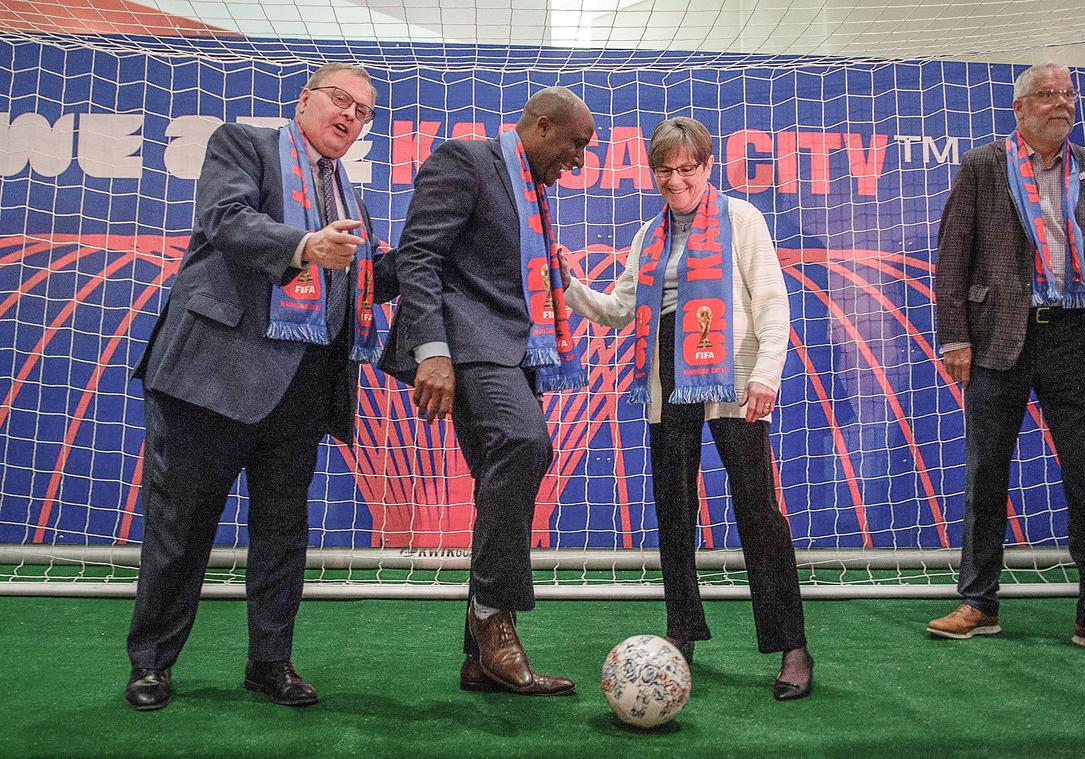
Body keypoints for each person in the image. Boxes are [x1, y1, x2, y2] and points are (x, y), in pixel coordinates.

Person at [125, 62, 398, 710]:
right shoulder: (243, 145)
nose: (350, 116)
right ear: (304, 101)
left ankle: (270, 662)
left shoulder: (349, 200)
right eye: (341, 100)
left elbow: (357, 283)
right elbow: (226, 220)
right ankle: (152, 665)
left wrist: (417, 260)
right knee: (181, 528)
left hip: (300, 390)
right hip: (211, 378)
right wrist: (304, 243)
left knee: (283, 533)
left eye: (363, 113)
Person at [562, 117, 813, 700]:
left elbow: (772, 304)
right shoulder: (649, 234)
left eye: (687, 169)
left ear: (707, 166)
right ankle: (682, 635)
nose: (677, 181)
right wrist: (567, 283)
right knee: (674, 510)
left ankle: (791, 645)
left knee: (757, 509)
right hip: (665, 373)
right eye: (665, 171)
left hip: (732, 372)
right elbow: (619, 309)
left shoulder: (742, 219)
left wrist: (766, 376)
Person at [380, 86, 594, 695]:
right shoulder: (464, 160)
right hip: (465, 345)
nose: (578, 162)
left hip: (513, 350)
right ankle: (492, 620)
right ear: (544, 126)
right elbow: (419, 257)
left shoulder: (531, 188)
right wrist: (433, 351)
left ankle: (477, 658)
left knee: (524, 456)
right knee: (523, 443)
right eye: (575, 145)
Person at [931, 63, 1085, 660]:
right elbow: (953, 259)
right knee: (985, 476)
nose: (1061, 103)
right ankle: (978, 603)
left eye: (1068, 94)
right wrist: (954, 339)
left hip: (1076, 338)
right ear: (1020, 109)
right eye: (1047, 95)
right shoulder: (982, 167)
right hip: (1000, 338)